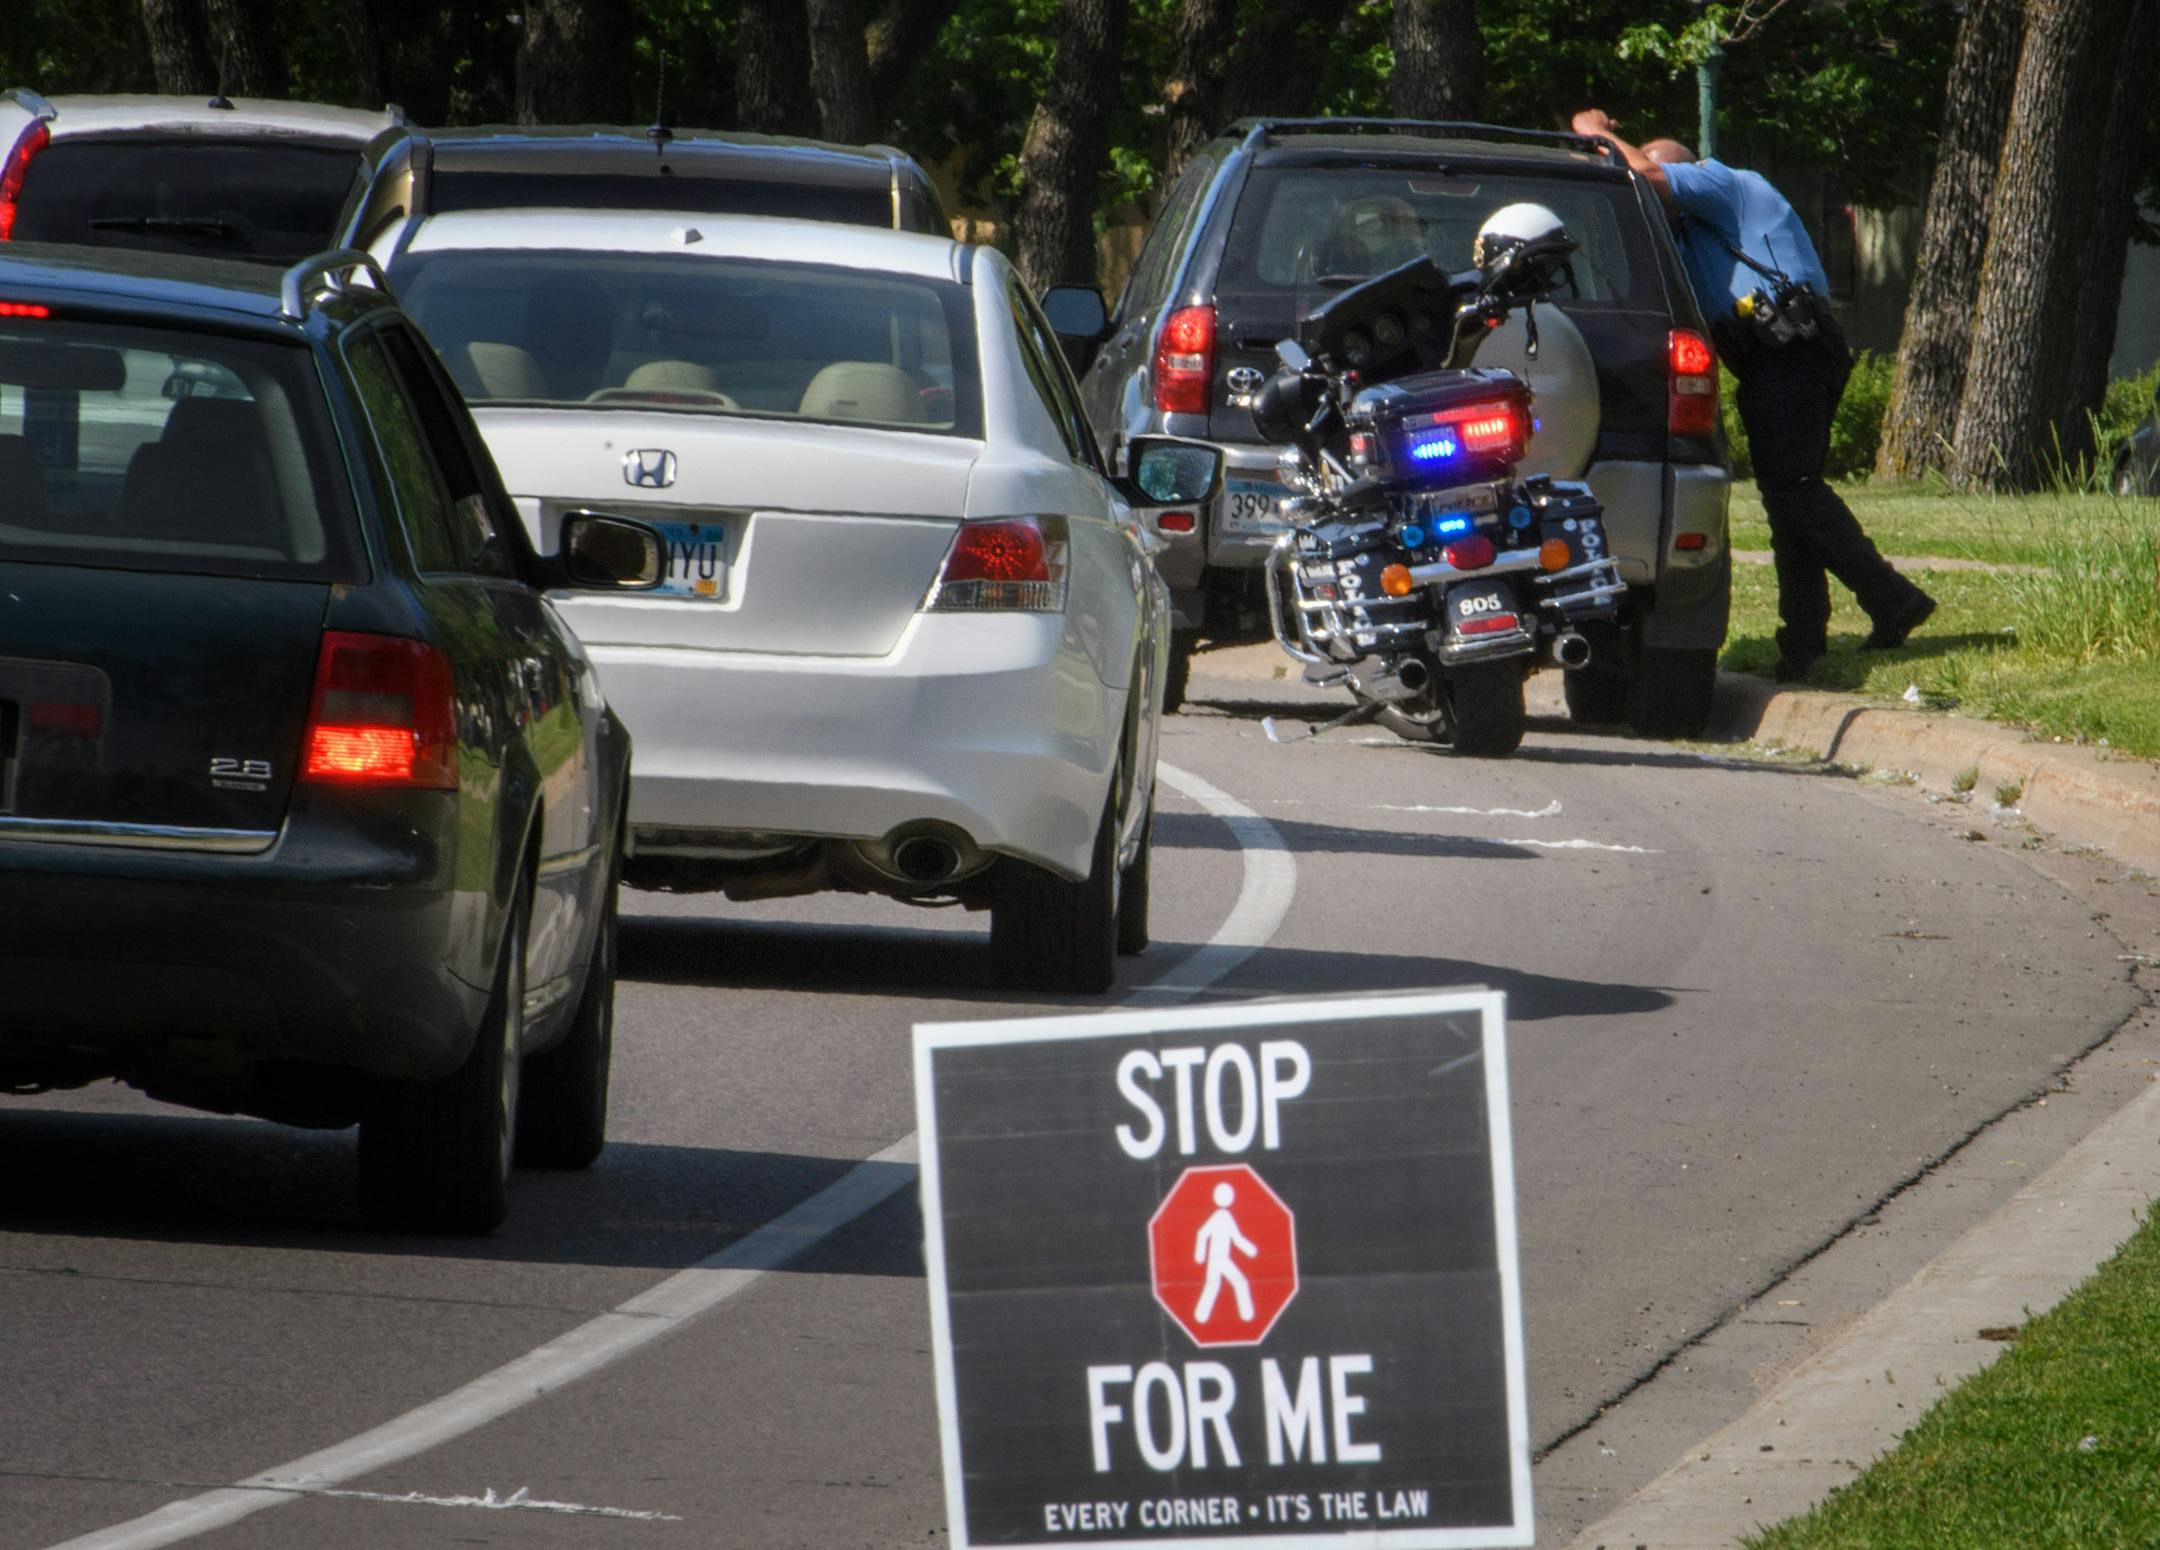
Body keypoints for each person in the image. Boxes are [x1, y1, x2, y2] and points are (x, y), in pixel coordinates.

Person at [1570, 110, 1935, 681]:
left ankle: (1891, 596)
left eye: (1663, 195)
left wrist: (1594, 131)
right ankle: (1803, 642)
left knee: (1793, 491)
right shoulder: (1689, 240)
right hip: (1770, 360)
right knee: (1787, 495)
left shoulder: (1725, 182)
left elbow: (1648, 176)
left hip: (1794, 348)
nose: (1659, 210)